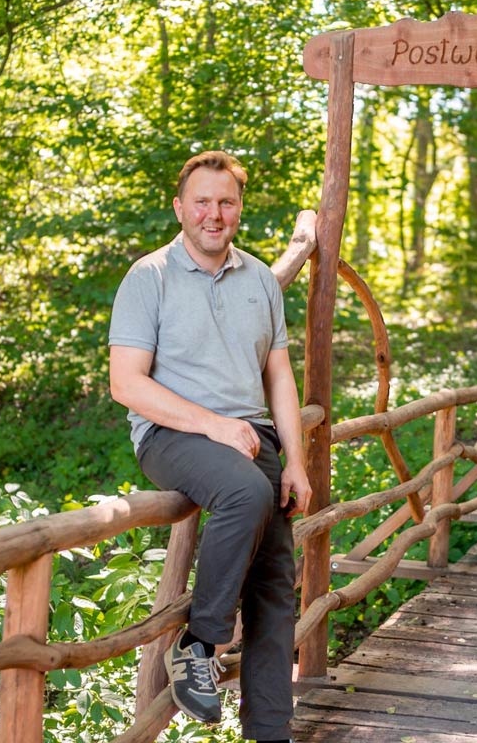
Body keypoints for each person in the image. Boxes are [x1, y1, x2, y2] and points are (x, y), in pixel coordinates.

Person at [108, 150, 312, 743]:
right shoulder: (148, 277)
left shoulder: (260, 280)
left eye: (225, 202)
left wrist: (296, 461)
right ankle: (198, 644)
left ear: (239, 209)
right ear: (180, 208)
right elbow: (126, 384)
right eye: (202, 201)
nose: (213, 214)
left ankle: (270, 731)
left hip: (253, 436)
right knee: (246, 492)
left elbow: (279, 375)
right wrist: (213, 425)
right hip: (172, 434)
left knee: (274, 582)